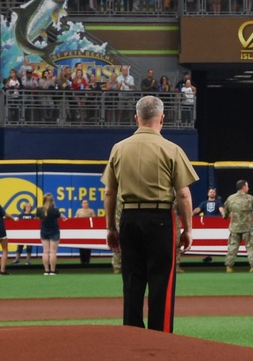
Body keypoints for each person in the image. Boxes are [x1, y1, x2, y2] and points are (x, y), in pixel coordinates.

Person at [102, 95, 198, 332]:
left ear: (136, 117)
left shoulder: (119, 148)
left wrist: (110, 227)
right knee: (161, 282)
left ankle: (132, 335)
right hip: (161, 220)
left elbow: (109, 193)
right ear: (162, 118)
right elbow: (184, 195)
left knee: (132, 281)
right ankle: (160, 336)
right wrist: (188, 228)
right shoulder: (172, 149)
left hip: (129, 219)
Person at [223, 179, 253, 274]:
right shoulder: (249, 198)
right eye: (247, 186)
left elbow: (225, 213)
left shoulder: (230, 198)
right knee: (250, 247)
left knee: (233, 246)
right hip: (247, 227)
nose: (248, 188)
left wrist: (226, 217)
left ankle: (229, 266)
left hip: (234, 227)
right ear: (243, 187)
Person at [37, 192, 61, 275]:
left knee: (45, 251)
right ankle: (53, 270)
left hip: (44, 231)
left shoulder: (39, 210)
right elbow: (61, 217)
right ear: (52, 201)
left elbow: (38, 218)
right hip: (54, 231)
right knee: (53, 252)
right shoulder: (55, 210)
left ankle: (46, 270)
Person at [13, 201, 36, 265]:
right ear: (24, 208)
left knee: (29, 247)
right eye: (27, 206)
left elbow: (35, 224)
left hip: (30, 234)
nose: (28, 207)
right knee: (20, 246)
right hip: (22, 234)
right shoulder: (21, 215)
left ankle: (28, 260)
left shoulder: (32, 216)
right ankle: (17, 260)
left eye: (29, 207)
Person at [76, 199, 96, 265]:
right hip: (81, 231)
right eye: (84, 203)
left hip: (89, 231)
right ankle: (82, 261)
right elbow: (76, 219)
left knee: (88, 247)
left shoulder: (91, 211)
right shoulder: (79, 211)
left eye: (86, 203)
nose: (85, 204)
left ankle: (87, 261)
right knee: (81, 247)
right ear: (81, 204)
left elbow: (94, 219)